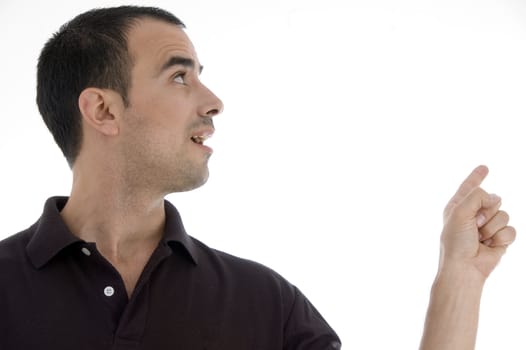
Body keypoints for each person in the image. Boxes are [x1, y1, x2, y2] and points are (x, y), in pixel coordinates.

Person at [0, 5, 515, 350]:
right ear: (103, 110)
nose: (213, 101)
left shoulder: (265, 304)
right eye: (180, 76)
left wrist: (461, 279)